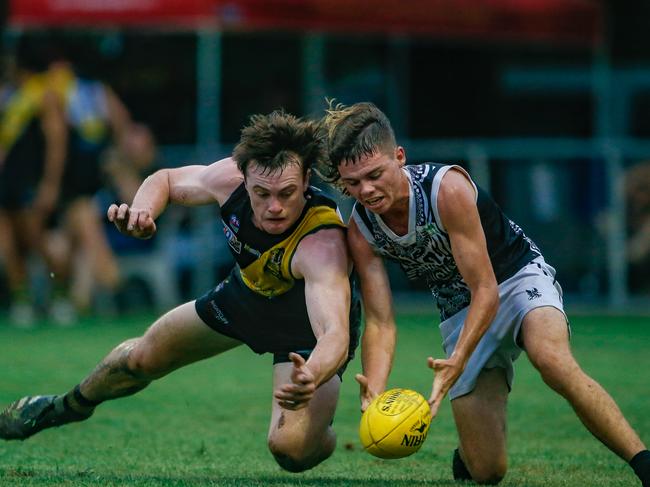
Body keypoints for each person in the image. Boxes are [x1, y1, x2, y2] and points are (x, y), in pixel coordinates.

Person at [0, 110, 360, 473]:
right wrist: (143, 211)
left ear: (307, 180)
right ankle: (62, 407)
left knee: (290, 451)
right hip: (246, 296)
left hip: (303, 333)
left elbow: (334, 334)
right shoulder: (229, 178)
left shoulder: (323, 245)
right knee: (140, 359)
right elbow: (166, 180)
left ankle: (322, 430)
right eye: (261, 193)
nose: (275, 207)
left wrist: (310, 376)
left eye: (287, 193)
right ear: (245, 178)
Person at [318, 101, 650, 485]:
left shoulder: (447, 189)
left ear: (399, 157)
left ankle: (641, 461)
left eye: (375, 174)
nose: (366, 190)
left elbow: (486, 289)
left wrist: (458, 360)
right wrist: (375, 388)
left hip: (514, 277)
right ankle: (471, 450)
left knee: (552, 360)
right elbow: (380, 319)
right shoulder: (361, 228)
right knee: (488, 471)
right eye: (353, 183)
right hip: (458, 309)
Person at [0, 38, 67, 326]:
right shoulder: (8, 95)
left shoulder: (44, 95)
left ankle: (61, 296)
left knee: (36, 242)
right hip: (6, 181)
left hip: (29, 179)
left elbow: (56, 141)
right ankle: (22, 301)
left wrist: (50, 184)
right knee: (6, 245)